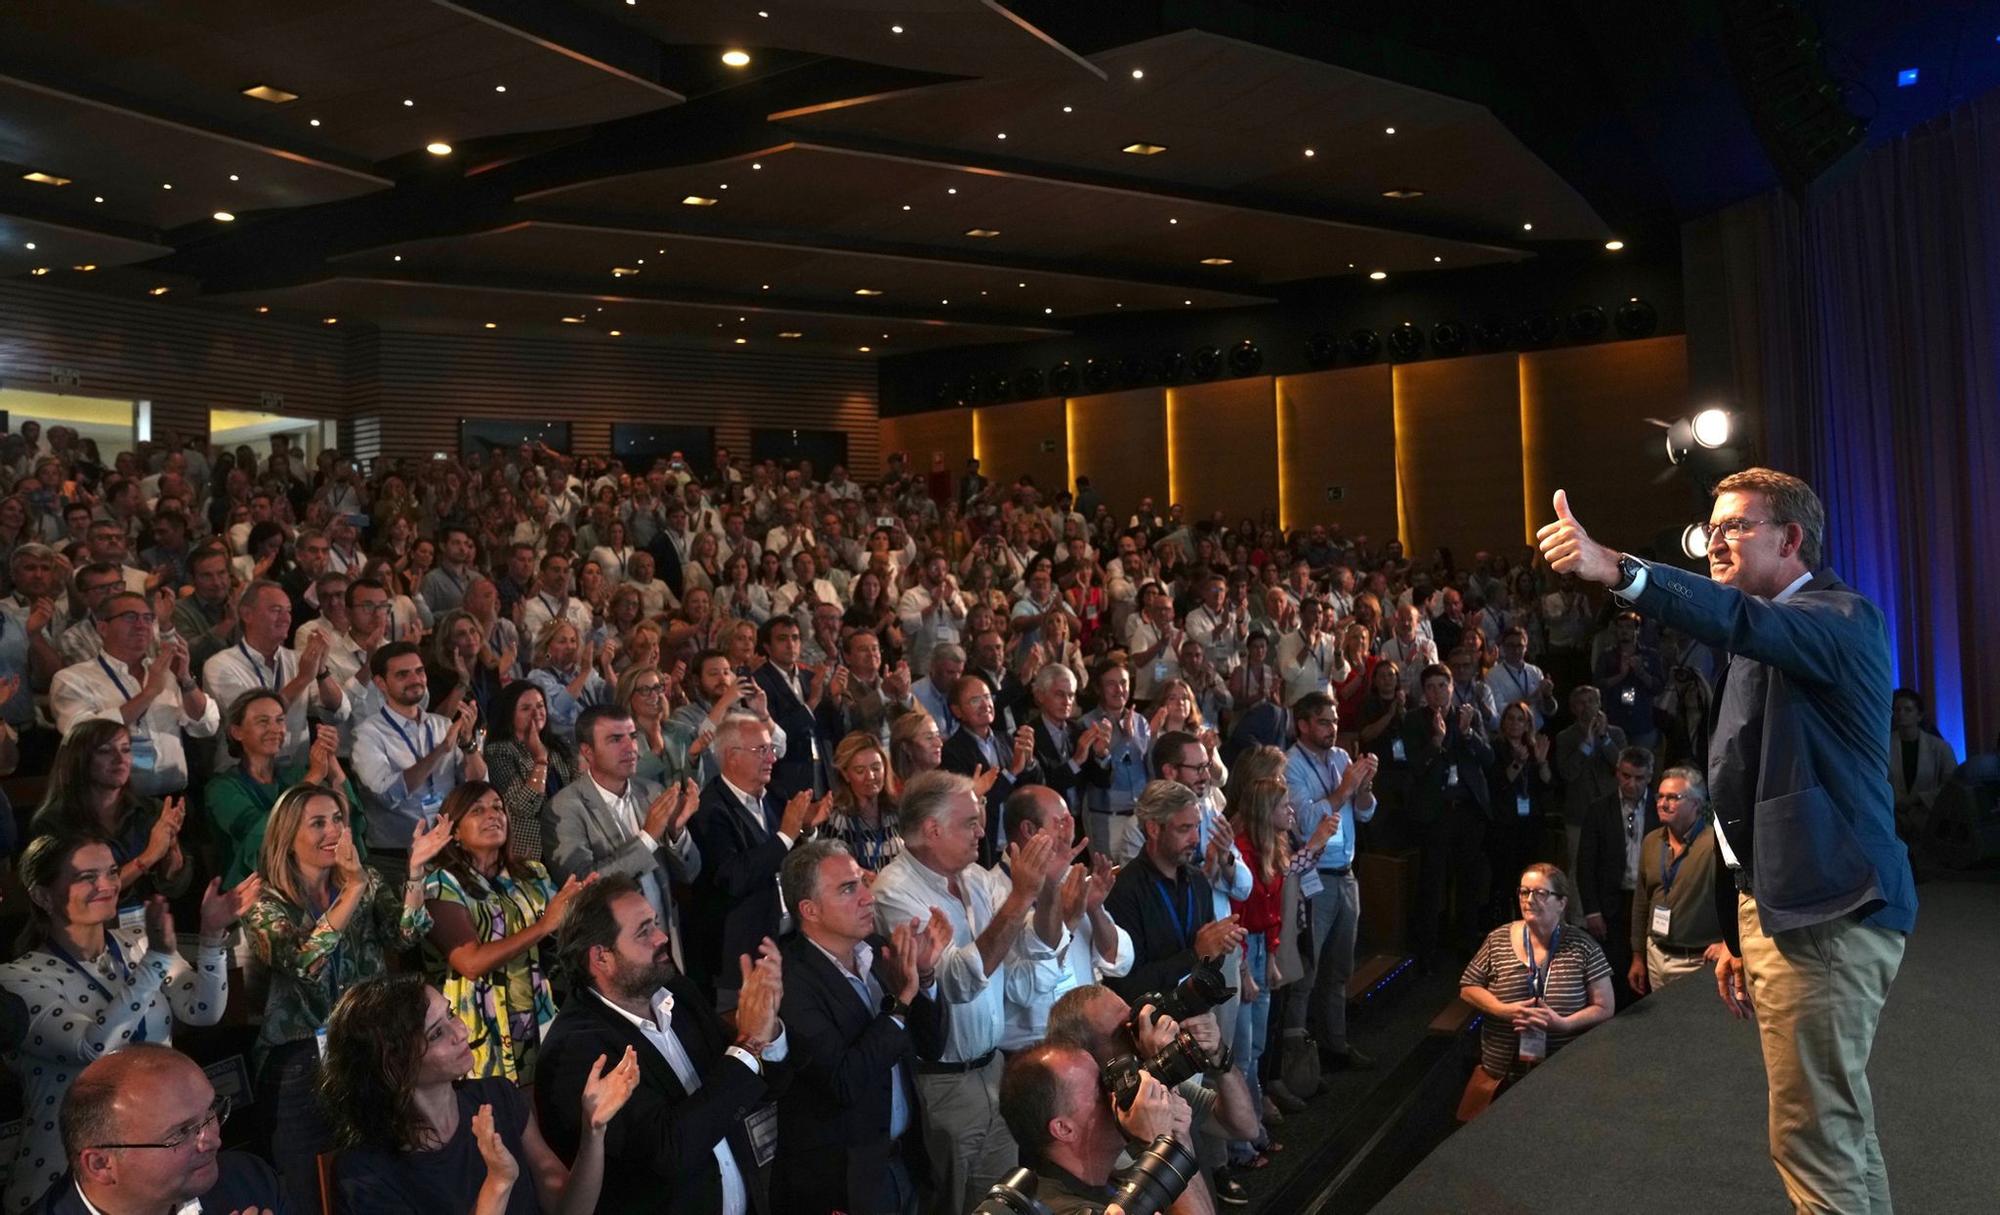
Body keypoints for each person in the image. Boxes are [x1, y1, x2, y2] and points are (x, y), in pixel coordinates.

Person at [1538, 472, 1915, 1214]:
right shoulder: (1765, 632)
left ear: (1791, 539)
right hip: (1786, 905)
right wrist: (1742, 921)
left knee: (1813, 1139)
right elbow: (1745, 796)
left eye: (1737, 526)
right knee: (1838, 1129)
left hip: (1826, 910)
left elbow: (1742, 621)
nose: (1715, 538)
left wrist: (1620, 570)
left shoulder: (1839, 617)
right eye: (1711, 526)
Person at [0, 835, 247, 1212]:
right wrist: (157, 961)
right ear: (42, 895)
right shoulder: (17, 977)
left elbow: (202, 1010)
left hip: (159, 1158)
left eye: (112, 872)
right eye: (87, 876)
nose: (107, 885)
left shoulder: (140, 943)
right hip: (66, 1170)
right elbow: (93, 1048)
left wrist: (212, 936)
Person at [242, 783, 452, 1213]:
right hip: (301, 1060)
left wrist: (414, 873)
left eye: (338, 819)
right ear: (287, 834)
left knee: (376, 1175)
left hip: (369, 1047)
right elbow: (304, 963)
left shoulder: (367, 880)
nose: (333, 831)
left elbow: (406, 933)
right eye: (317, 822)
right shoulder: (264, 902)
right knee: (313, 1191)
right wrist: (352, 890)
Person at [869, 769, 1070, 1215]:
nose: (982, 831)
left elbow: (1030, 961)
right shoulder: (895, 892)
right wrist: (1020, 899)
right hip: (943, 1084)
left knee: (1003, 1202)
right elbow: (955, 984)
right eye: (970, 822)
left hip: (995, 1067)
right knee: (954, 1204)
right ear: (932, 829)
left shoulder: (976, 878)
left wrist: (1050, 884)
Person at [533, 875, 791, 1215]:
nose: (662, 937)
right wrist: (750, 1042)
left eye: (655, 923)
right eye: (644, 931)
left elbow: (758, 1088)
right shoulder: (576, 1051)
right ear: (601, 957)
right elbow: (667, 1152)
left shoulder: (678, 994)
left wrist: (767, 1027)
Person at [320, 973, 640, 1214]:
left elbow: (569, 1209)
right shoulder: (365, 1173)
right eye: (436, 1033)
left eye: (451, 1014)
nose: (460, 1032)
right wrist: (497, 1183)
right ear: (392, 1066)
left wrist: (593, 1130)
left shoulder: (496, 1096)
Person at [773, 839, 953, 1215]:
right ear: (810, 910)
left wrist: (924, 974)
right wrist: (901, 1002)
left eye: (862, 883)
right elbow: (844, 1080)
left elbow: (931, 1046)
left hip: (905, 1160)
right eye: (848, 889)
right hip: (846, 1184)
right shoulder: (790, 981)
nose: (868, 897)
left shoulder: (875, 949)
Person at [424, 781, 590, 1084]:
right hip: (482, 1022)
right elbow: (469, 963)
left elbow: (563, 925)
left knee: (548, 1100)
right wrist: (542, 926)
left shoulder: (531, 874)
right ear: (456, 832)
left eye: (498, 808)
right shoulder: (441, 885)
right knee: (504, 1113)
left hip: (538, 1012)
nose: (493, 815)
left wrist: (582, 906)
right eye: (478, 810)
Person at [31, 1044, 287, 1215]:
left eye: (210, 1111)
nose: (212, 1141)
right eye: (182, 1132)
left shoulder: (250, 1180)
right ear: (101, 1164)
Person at [542, 703, 701, 975]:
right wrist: (648, 837)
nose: (631, 747)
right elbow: (583, 886)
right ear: (587, 752)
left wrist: (676, 832)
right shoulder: (564, 808)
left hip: (666, 945)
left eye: (632, 736)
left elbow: (690, 872)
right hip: (616, 960)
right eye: (616, 739)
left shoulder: (651, 791)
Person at [686, 712, 825, 1010]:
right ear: (731, 756)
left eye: (771, 749)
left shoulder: (774, 794)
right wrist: (786, 836)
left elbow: (793, 855)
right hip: (743, 961)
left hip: (792, 945)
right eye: (761, 750)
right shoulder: (709, 810)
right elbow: (733, 877)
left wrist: (807, 830)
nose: (772, 758)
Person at [1454, 862, 1613, 1118]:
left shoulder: (1584, 946)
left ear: (1561, 903)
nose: (1529, 900)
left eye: (1540, 893)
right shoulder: (1498, 939)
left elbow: (1605, 1006)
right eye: (1524, 892)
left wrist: (1563, 1024)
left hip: (1563, 1075)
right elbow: (1468, 987)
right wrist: (1502, 1010)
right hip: (1500, 1075)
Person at [1281, 692, 1378, 1070]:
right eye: (1323, 722)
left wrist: (1365, 787)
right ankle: (1296, 1062)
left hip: (1346, 874)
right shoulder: (1290, 766)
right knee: (1306, 973)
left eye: (1335, 721)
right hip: (1312, 877)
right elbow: (1305, 823)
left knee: (1339, 969)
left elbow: (1366, 814)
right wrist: (1343, 790)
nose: (1332, 728)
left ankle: (1334, 1047)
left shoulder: (1340, 758)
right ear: (1303, 725)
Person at [996, 1042, 1206, 1215]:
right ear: (1064, 1129)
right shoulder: (1065, 1210)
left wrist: (1176, 1135)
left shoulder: (1112, 1181)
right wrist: (1161, 1143)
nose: (1114, 1094)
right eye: (1101, 1091)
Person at [997, 785, 1131, 1053]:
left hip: (1087, 1042)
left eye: (1071, 820)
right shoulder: (993, 893)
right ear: (1029, 830)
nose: (1070, 830)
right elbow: (1023, 989)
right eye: (1061, 821)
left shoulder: (1073, 878)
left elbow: (1118, 962)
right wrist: (1066, 922)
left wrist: (1094, 909)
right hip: (1029, 1053)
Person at [49, 591, 216, 799]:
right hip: (111, 803)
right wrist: (149, 693)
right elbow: (82, 735)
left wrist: (185, 679)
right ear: (103, 628)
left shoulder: (164, 672)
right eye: (130, 617)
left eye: (148, 618)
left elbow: (205, 726)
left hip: (175, 797)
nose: (141, 625)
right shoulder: (72, 679)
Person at [352, 641, 489, 884]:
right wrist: (440, 751)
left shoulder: (441, 725)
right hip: (396, 857)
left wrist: (468, 744)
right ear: (381, 683)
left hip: (449, 849)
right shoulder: (368, 734)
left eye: (419, 671)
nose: (415, 679)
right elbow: (386, 794)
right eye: (403, 674)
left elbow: (478, 786)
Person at [1102, 780, 1248, 1006]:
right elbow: (1126, 985)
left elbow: (1210, 962)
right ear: (1153, 829)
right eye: (1184, 828)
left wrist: (1219, 946)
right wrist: (1195, 954)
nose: (1196, 839)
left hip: (1198, 1011)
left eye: (1197, 827)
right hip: (1149, 1023)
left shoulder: (1198, 881)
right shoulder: (1124, 891)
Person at [27, 722, 192, 902]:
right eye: (105, 751)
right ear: (79, 759)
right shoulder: (54, 822)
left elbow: (174, 889)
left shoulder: (150, 810)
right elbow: (77, 895)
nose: (120, 759)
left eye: (126, 749)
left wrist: (171, 849)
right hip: (86, 927)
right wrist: (148, 857)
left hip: (146, 922)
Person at [206, 692, 359, 885]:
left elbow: (347, 819)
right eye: (263, 722)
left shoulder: (294, 775)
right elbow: (259, 836)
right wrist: (313, 778)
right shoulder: (222, 788)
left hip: (310, 884)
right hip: (252, 890)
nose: (275, 729)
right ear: (237, 732)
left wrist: (330, 757)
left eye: (280, 720)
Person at [200, 579, 349, 768]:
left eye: (288, 611)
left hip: (295, 772)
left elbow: (338, 713)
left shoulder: (297, 660)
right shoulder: (219, 665)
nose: (286, 618)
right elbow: (251, 718)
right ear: (247, 614)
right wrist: (303, 678)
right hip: (243, 776)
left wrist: (320, 672)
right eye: (276, 610)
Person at [1403, 663, 1495, 965]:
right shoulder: (1415, 721)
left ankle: (1467, 947)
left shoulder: (1468, 716)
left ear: (1452, 687)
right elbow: (1415, 767)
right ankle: (1427, 952)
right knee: (1432, 884)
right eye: (1430, 687)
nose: (1437, 693)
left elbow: (1488, 758)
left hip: (1467, 812)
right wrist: (1436, 743)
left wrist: (1468, 734)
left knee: (1469, 882)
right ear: (1424, 692)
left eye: (1443, 686)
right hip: (1436, 814)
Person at [1627, 768, 1727, 996]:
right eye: (1660, 796)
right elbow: (1641, 901)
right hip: (1656, 955)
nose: (1663, 803)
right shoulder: (1652, 841)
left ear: (1696, 803)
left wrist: (1728, 944)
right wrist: (1637, 956)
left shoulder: (1715, 845)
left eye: (1673, 797)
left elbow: (1738, 900)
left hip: (1697, 961)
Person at [1573, 746, 1657, 1008]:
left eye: (1639, 778)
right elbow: (1585, 864)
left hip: (1649, 898)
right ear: (1617, 773)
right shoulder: (1599, 809)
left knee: (1649, 968)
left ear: (1650, 776)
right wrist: (1591, 911)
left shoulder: (1660, 807)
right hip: (1611, 902)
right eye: (1626, 776)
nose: (1631, 783)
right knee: (1617, 970)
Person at [939, 674, 1042, 865]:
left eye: (987, 697)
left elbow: (1034, 789)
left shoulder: (1008, 740)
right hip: (984, 846)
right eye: (975, 700)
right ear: (957, 710)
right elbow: (970, 803)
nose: (985, 704)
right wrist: (1011, 772)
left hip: (1018, 842)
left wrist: (1029, 762)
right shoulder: (952, 752)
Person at [482, 680, 579, 864]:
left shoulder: (558, 747)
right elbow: (523, 807)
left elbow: (579, 790)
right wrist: (540, 760)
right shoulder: (499, 752)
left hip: (568, 839)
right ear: (510, 714)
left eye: (540, 706)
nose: (536, 713)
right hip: (531, 851)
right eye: (526, 708)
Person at [821, 731, 906, 872]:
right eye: (860, 770)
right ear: (845, 775)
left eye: (876, 768)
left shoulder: (897, 811)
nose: (871, 776)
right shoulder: (838, 820)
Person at [1888, 687, 1956, 843]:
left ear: (1919, 716)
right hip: (1893, 819)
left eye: (1908, 710)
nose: (1901, 714)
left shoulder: (1940, 748)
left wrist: (1918, 799)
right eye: (1897, 710)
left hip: (1929, 819)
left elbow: (1951, 786)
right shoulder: (1884, 745)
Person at [526, 619, 608, 742]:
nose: (569, 647)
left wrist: (607, 667)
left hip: (596, 737)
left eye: (573, 641)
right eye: (562, 641)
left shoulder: (585, 672)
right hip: (564, 745)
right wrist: (584, 673)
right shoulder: (538, 677)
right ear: (547, 647)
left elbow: (610, 697)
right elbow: (558, 710)